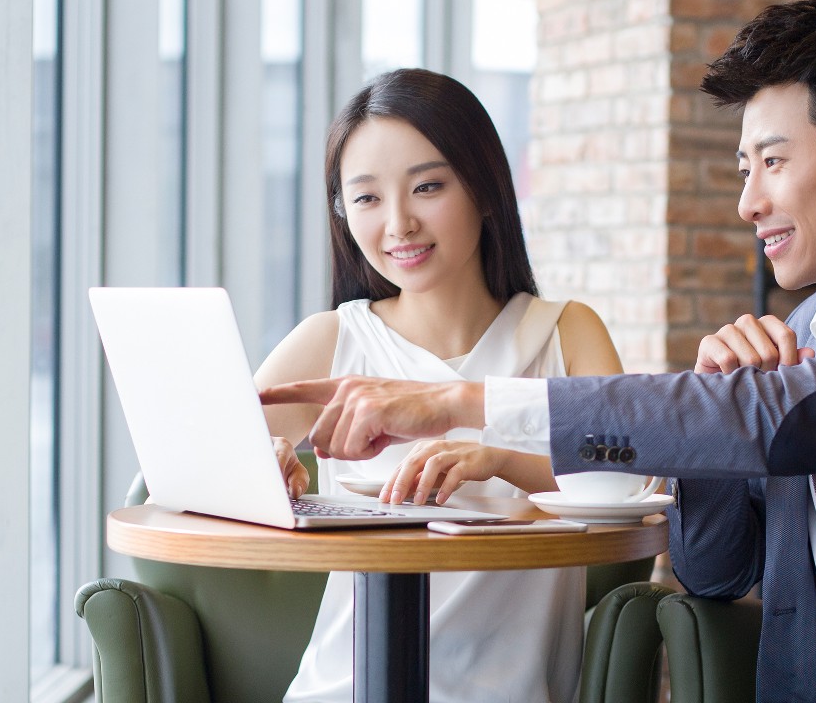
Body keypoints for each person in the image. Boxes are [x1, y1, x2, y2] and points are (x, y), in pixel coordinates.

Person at [259, 0, 816, 702]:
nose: (749, 202)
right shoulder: (804, 336)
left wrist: (465, 402)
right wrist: (716, 414)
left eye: (772, 163)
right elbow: (716, 569)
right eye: (743, 169)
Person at [254, 68, 622, 703]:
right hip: (345, 687)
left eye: (427, 187)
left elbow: (639, 479)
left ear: (483, 189)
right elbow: (192, 471)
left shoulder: (566, 333)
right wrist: (266, 469)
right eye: (366, 198)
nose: (398, 224)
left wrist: (499, 460)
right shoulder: (333, 340)